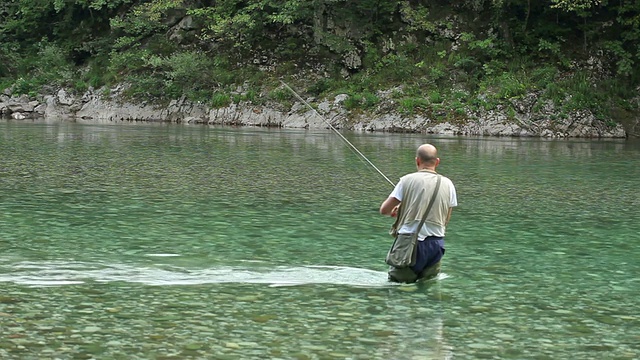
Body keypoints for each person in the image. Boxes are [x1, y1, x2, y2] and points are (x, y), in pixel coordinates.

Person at [379, 144, 457, 283]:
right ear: (437, 161)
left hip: (408, 244)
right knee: (427, 288)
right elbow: (446, 218)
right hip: (436, 245)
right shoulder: (449, 184)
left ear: (417, 160)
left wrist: (400, 210)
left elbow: (384, 210)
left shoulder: (406, 180)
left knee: (397, 289)